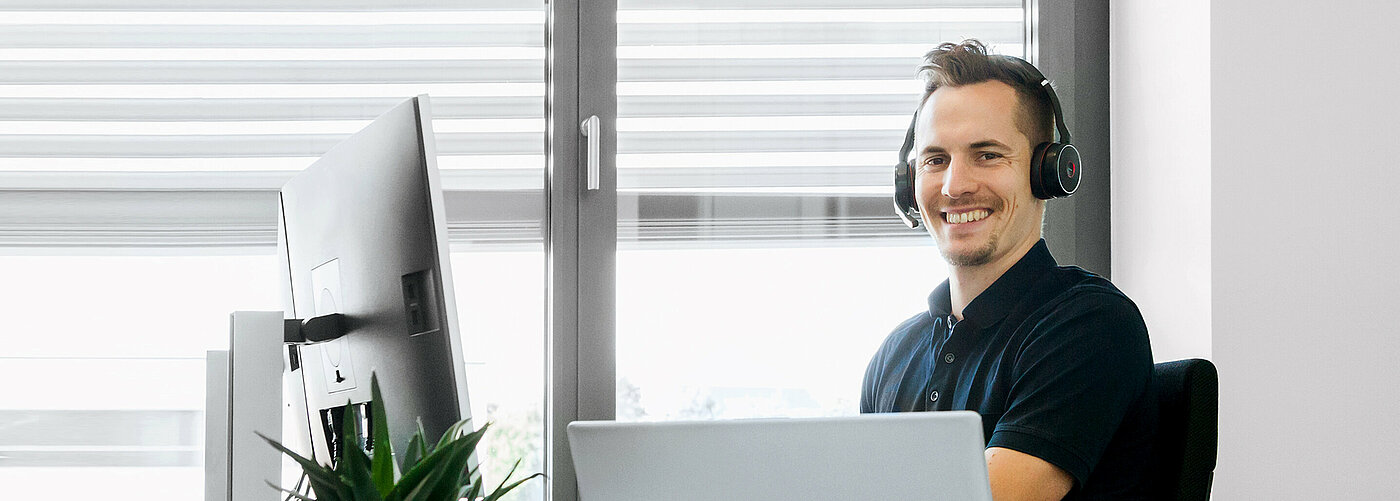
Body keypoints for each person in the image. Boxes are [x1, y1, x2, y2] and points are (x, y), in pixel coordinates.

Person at [861, 39, 1157, 500]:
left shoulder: (1090, 325)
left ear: (1049, 172)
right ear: (909, 184)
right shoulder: (895, 356)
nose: (955, 186)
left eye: (988, 155)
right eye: (935, 160)